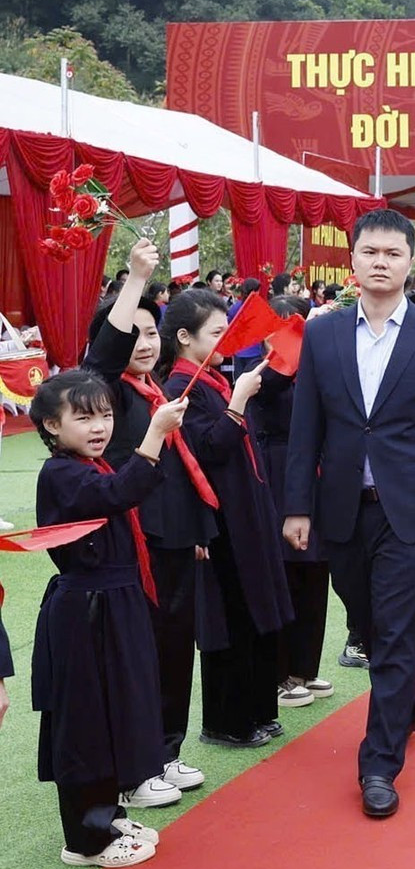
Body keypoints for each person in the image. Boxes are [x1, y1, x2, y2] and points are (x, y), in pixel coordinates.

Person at [283, 208, 415, 819]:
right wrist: (297, 505)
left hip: (410, 514)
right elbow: (305, 428)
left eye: (392, 254)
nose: (380, 262)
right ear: (353, 260)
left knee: (396, 633)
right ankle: (407, 704)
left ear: (409, 262)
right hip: (342, 509)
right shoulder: (321, 334)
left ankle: (378, 764)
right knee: (369, 626)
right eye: (369, 252)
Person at [20, 371, 188, 867]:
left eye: (106, 415)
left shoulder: (91, 467)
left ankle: (106, 814)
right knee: (87, 724)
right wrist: (154, 435)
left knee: (117, 713)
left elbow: (122, 490)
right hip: (86, 610)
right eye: (84, 416)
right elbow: (118, 497)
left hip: (113, 601)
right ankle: (85, 839)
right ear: (52, 425)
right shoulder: (61, 474)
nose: (100, 426)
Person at [81, 239, 213, 807]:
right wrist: (135, 279)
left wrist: (199, 533)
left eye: (152, 332)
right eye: (133, 334)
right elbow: (104, 352)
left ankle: (165, 750)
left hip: (176, 535)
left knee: (177, 644)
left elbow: (183, 470)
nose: (145, 343)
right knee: (142, 651)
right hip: (132, 540)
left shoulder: (155, 388)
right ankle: (137, 766)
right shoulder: (105, 389)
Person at [162, 290, 294, 750]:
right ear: (183, 337)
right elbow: (207, 450)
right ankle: (227, 720)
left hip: (249, 510)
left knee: (258, 609)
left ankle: (259, 709)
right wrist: (238, 404)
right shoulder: (181, 389)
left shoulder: (212, 380)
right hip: (221, 521)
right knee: (231, 618)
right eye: (218, 333)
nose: (227, 340)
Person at [251, 295, 337, 712]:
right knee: (284, 575)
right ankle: (280, 674)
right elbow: (274, 386)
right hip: (278, 475)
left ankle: (306, 665)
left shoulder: (316, 365)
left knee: (315, 572)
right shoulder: (263, 372)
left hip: (318, 477)